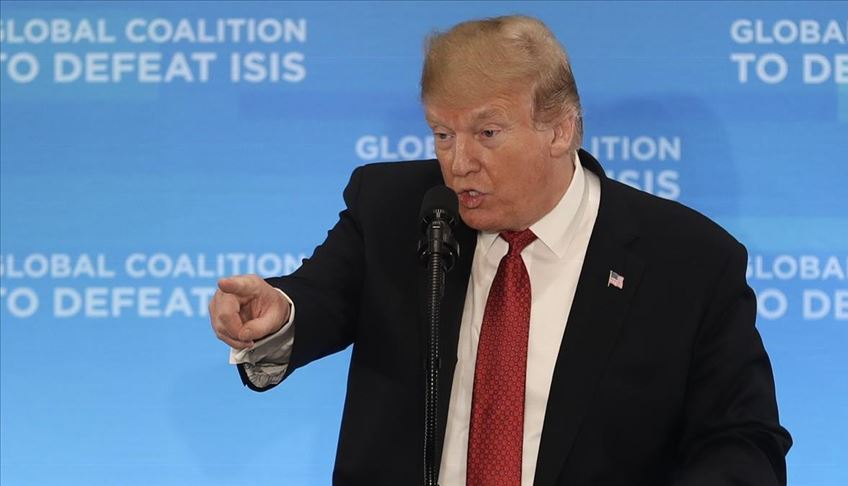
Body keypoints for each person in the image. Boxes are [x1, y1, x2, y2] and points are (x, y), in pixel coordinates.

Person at [209, 15, 792, 486]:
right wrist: (277, 316)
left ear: (560, 130)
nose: (458, 163)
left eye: (487, 133)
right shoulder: (395, 208)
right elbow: (319, 297)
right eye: (442, 134)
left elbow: (743, 441)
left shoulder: (689, 261)